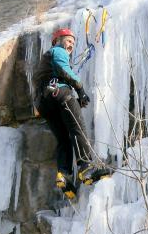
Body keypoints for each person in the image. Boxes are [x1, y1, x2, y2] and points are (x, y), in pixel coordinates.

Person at [33, 28, 112, 198]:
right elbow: (63, 69)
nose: (71, 44)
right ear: (57, 40)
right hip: (60, 93)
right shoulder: (57, 51)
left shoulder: (43, 63)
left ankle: (64, 175)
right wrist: (80, 89)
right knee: (78, 129)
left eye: (73, 43)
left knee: (63, 140)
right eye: (68, 40)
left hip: (43, 104)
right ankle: (86, 168)